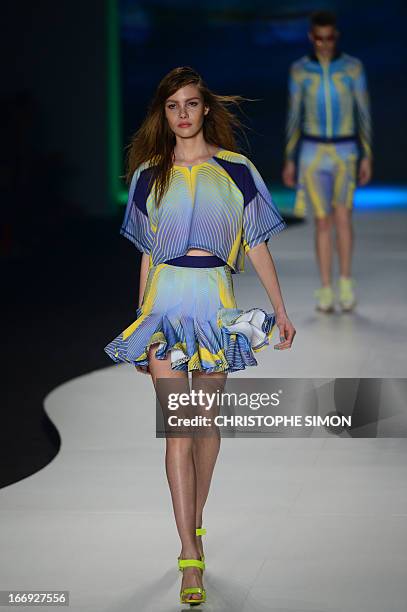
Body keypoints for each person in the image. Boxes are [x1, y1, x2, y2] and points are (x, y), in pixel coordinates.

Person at [104, 66, 296, 606]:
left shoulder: (236, 170)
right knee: (178, 428)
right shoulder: (148, 174)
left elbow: (256, 243)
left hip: (214, 301)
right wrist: (140, 322)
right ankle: (190, 554)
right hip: (165, 302)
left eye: (191, 104)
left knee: (205, 424)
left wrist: (280, 309)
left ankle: (195, 521)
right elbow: (147, 251)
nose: (183, 114)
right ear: (163, 114)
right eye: (173, 106)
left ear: (205, 108)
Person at [282, 10, 373, 312]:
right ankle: (325, 287)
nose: (324, 44)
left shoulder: (353, 68)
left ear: (336, 36)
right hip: (310, 151)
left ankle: (345, 282)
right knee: (322, 221)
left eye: (329, 38)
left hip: (346, 150)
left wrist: (367, 155)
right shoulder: (300, 70)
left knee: (343, 217)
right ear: (311, 37)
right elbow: (294, 116)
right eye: (319, 38)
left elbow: (364, 114)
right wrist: (290, 159)